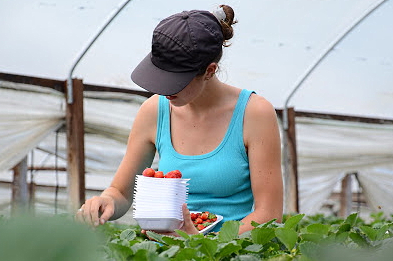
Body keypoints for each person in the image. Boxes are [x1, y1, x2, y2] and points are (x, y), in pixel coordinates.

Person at [76, 5, 283, 235]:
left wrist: (205, 243)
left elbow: (269, 214)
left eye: (174, 81)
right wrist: (107, 201)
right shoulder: (154, 111)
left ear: (209, 71)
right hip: (169, 255)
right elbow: (121, 192)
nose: (164, 90)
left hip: (230, 256)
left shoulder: (254, 113)